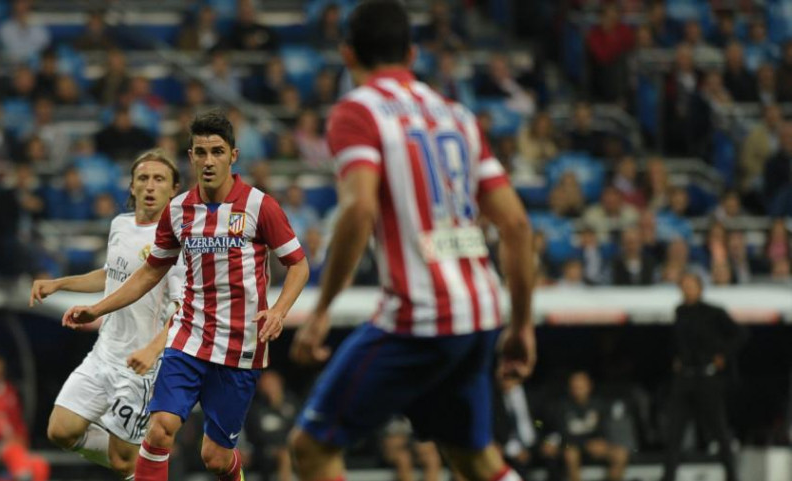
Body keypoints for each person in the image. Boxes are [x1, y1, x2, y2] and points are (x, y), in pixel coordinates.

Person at [287, 2, 536, 481]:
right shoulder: (457, 115)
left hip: (420, 316)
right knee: (474, 460)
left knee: (312, 447)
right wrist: (522, 324)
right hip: (480, 313)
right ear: (413, 53)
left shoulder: (356, 112)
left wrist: (321, 311)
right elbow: (518, 227)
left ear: (347, 55)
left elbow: (359, 208)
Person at [63, 110, 310, 481]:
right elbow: (150, 271)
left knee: (215, 457)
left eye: (217, 151)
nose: (208, 161)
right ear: (191, 156)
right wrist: (97, 308)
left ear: (233, 155)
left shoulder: (260, 206)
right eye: (200, 152)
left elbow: (299, 265)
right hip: (188, 334)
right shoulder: (178, 210)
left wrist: (278, 310)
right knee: (160, 427)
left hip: (239, 344)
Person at [29, 149, 185, 480]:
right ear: (131, 186)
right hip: (103, 353)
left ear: (174, 190)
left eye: (159, 179)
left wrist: (153, 350)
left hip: (140, 368)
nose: (150, 186)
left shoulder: (176, 242)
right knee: (60, 430)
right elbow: (110, 274)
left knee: (122, 462)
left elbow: (184, 310)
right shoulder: (121, 224)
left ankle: (141, 465)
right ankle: (142, 462)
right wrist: (60, 283)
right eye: (143, 178)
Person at [661, 273, 746, 481]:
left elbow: (741, 334)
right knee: (674, 432)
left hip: (707, 377)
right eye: (684, 286)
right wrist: (676, 358)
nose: (688, 290)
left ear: (700, 289)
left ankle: (732, 475)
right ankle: (669, 476)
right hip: (684, 379)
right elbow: (677, 342)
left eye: (691, 286)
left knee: (719, 430)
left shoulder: (713, 312)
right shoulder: (679, 311)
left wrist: (723, 354)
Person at [554, 371, 630, 481]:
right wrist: (585, 444)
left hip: (595, 447)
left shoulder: (599, 405)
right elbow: (562, 435)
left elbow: (605, 429)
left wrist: (602, 442)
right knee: (570, 454)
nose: (578, 390)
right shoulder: (562, 407)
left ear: (589, 386)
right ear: (569, 388)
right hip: (572, 447)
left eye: (581, 387)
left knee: (621, 454)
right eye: (575, 387)